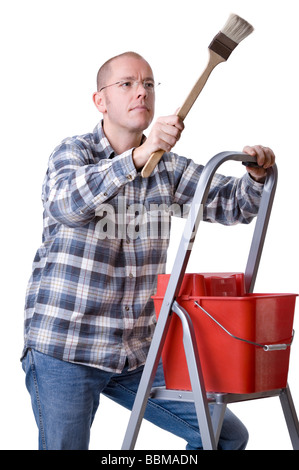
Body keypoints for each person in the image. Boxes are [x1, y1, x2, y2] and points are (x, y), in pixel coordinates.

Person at [22, 51, 276, 450]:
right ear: (100, 101)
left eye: (148, 84)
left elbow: (232, 204)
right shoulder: (73, 153)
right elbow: (66, 203)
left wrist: (256, 177)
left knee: (223, 436)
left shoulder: (168, 169)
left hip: (136, 353)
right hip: (67, 348)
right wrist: (137, 157)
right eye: (127, 84)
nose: (141, 92)